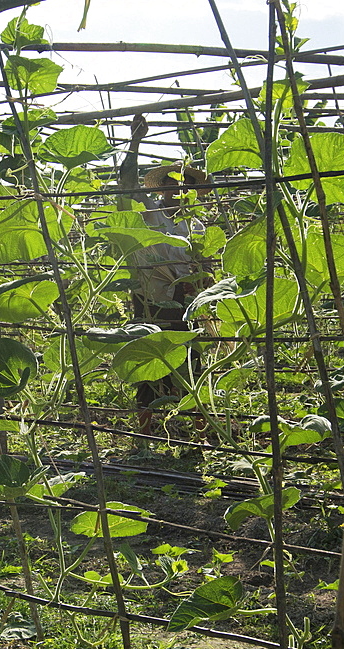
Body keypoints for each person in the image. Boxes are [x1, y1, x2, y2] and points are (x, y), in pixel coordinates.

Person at [118, 114, 211, 435]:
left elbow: (203, 264)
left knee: (189, 364)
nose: (179, 190)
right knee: (148, 360)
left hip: (186, 303)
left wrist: (203, 284)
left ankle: (200, 431)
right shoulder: (148, 214)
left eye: (185, 186)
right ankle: (144, 431)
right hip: (150, 300)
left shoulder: (196, 224)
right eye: (173, 184)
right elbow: (125, 185)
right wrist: (135, 142)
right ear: (164, 189)